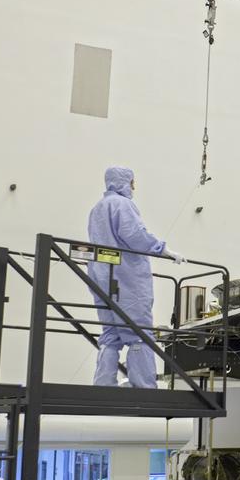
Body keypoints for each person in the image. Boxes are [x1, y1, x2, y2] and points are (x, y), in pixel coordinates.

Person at [87, 167, 183, 389]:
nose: (133, 187)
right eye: (132, 182)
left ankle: (103, 384)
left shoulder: (96, 209)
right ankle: (144, 386)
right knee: (138, 331)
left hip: (100, 275)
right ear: (123, 182)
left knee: (110, 332)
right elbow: (134, 235)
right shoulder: (121, 205)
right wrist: (163, 250)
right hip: (126, 277)